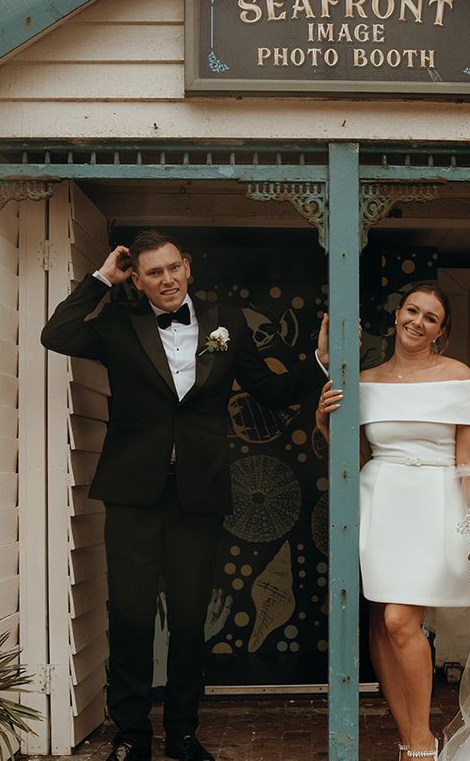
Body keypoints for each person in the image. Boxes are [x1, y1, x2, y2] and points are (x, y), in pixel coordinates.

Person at [41, 230, 329, 761]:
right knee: (129, 616)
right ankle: (130, 737)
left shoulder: (228, 322)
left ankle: (182, 733)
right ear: (138, 279)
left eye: (173, 268)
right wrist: (102, 278)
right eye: (154, 273)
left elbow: (270, 392)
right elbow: (56, 332)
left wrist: (318, 361)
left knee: (190, 620)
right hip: (133, 494)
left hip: (198, 494)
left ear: (188, 267)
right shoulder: (116, 323)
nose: (167, 279)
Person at [316, 283, 470, 761]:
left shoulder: (457, 376)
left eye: (430, 317)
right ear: (396, 315)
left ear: (441, 332)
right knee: (381, 621)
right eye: (412, 310)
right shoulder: (365, 379)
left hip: (434, 505)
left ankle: (420, 743)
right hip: (379, 502)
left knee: (400, 621)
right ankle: (409, 735)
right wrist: (327, 426)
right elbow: (360, 454)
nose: (418, 321)